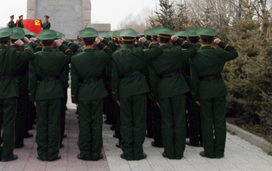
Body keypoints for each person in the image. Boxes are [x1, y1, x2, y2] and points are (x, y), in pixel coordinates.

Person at [0, 28, 34, 162]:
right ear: (10, 40)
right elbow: (30, 55)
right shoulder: (14, 52)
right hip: (10, 90)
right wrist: (24, 44)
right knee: (9, 124)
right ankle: (7, 154)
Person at [110, 28, 162, 160]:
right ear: (134, 40)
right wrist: (146, 42)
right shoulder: (139, 52)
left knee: (126, 122)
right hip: (139, 89)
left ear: (121, 41)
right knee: (139, 122)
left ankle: (127, 151)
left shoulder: (115, 55)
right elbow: (157, 49)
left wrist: (115, 95)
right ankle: (138, 152)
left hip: (124, 91)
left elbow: (114, 77)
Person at [148, 28, 197, 160]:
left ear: (158, 40)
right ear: (170, 40)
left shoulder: (154, 54)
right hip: (178, 88)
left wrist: (154, 96)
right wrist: (179, 40)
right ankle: (179, 152)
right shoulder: (176, 51)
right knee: (180, 120)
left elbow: (152, 78)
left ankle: (169, 151)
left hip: (163, 89)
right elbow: (193, 49)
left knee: (167, 121)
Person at [190, 27, 238, 159]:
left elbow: (193, 78)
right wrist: (222, 43)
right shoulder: (219, 53)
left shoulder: (195, 56)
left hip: (204, 90)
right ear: (212, 41)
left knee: (206, 121)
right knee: (220, 121)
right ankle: (219, 151)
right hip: (218, 88)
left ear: (200, 40)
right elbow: (234, 53)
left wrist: (195, 95)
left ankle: (209, 151)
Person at [29, 29, 72, 161]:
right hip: (56, 91)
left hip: (41, 91)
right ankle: (53, 152)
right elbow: (71, 54)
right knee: (54, 123)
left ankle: (42, 152)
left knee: (42, 124)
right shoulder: (60, 56)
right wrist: (61, 45)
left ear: (41, 43)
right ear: (53, 43)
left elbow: (32, 78)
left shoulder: (35, 56)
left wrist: (32, 96)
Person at [70, 28, 110, 161]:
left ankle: (84, 152)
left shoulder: (75, 59)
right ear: (94, 41)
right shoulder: (101, 55)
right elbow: (110, 51)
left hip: (83, 93)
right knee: (97, 123)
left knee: (85, 123)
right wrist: (100, 43)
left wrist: (74, 97)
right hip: (98, 91)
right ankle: (96, 152)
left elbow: (75, 79)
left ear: (81, 41)